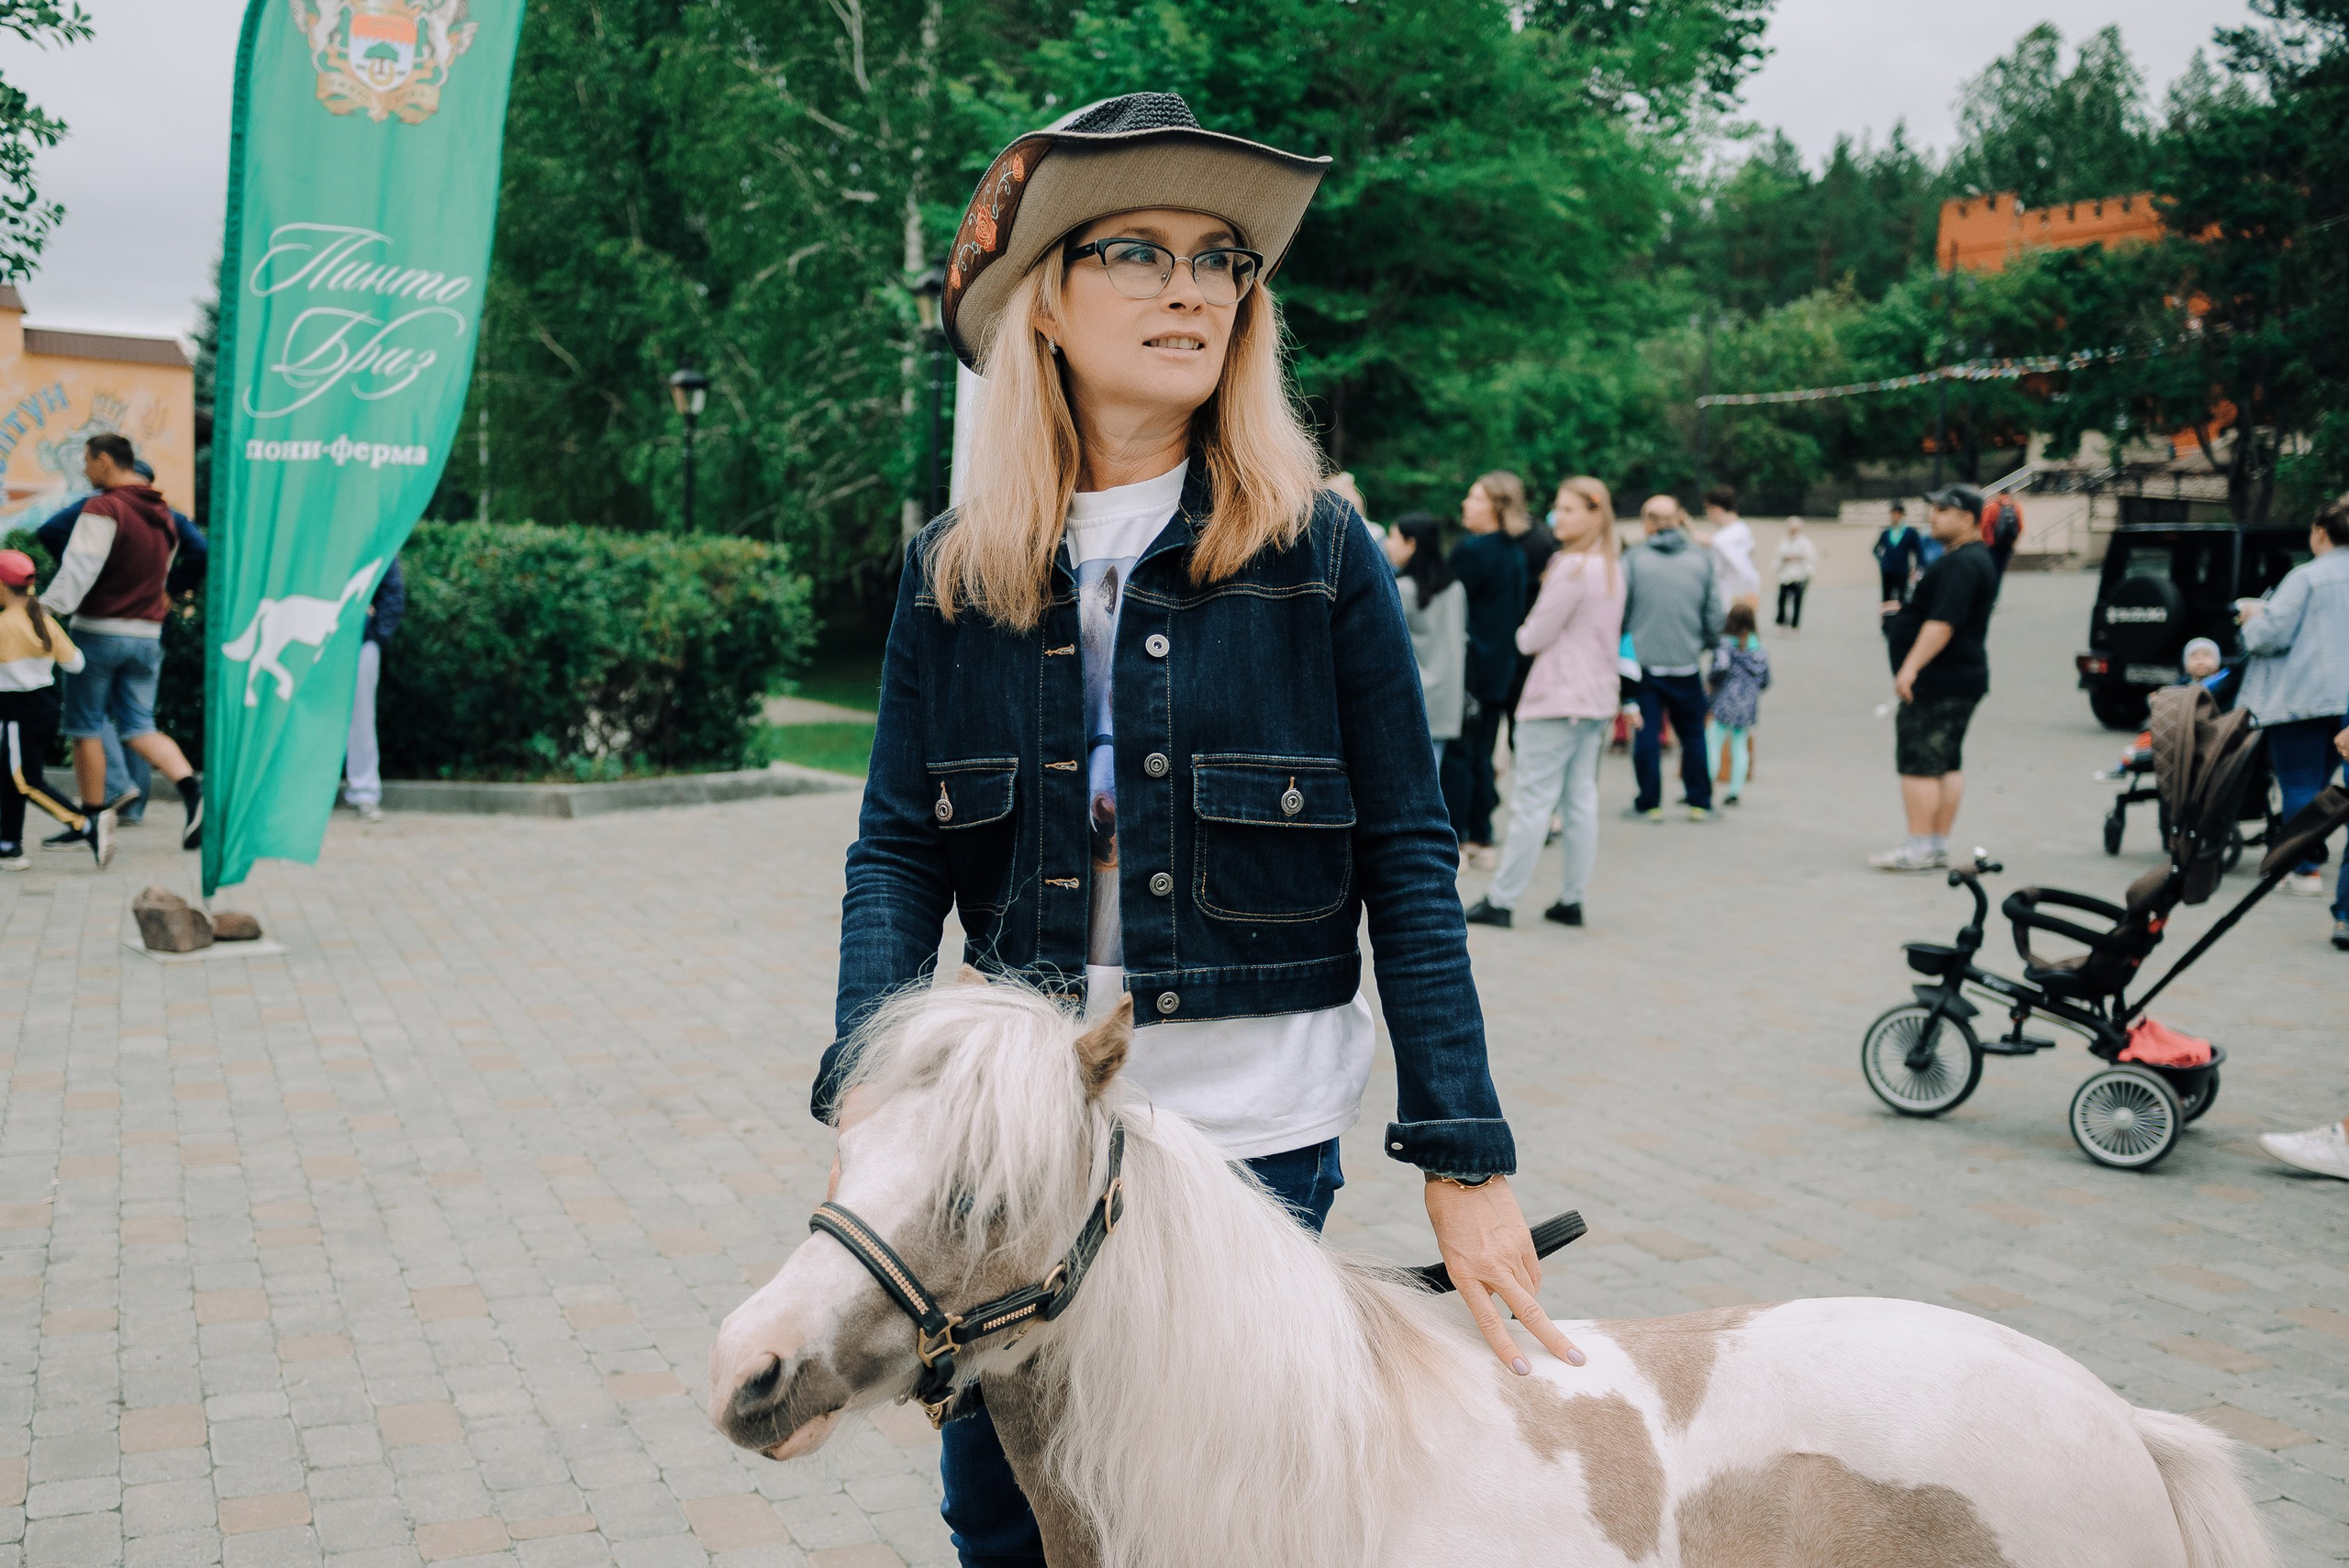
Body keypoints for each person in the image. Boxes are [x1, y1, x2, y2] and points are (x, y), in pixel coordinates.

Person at [821, 93, 1576, 1568]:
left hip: (1253, 1141)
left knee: (1221, 1526)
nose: (1193, 288)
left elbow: (1410, 859)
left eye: (1222, 259)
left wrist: (1467, 1160)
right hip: (1021, 1143)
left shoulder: (1318, 553)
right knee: (1008, 1511)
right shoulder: (952, 573)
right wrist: (875, 1096)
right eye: (1139, 252)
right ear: (1042, 302)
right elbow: (897, 849)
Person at [1464, 476, 1624, 929]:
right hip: (1594, 698)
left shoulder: (1571, 568)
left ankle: (1503, 898)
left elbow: (1532, 635)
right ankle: (1571, 897)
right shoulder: (1610, 566)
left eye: (1569, 509)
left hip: (1557, 696)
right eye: (1559, 508)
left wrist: (1520, 631)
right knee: (1579, 800)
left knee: (1532, 800)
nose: (1559, 517)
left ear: (1594, 515)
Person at [39, 435, 202, 852]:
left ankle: (94, 820)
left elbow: (79, 570)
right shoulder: (163, 513)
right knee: (139, 725)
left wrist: (42, 611)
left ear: (106, 461)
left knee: (84, 725)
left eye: (88, 461)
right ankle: (194, 795)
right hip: (147, 635)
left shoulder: (104, 506)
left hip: (99, 632)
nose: (86, 470)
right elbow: (166, 570)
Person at [1872, 484, 2000, 872]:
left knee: (1919, 763)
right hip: (1961, 677)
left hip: (1939, 680)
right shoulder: (1973, 559)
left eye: (1943, 510)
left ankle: (1920, 847)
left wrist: (1910, 667)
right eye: (1933, 508)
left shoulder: (1960, 563)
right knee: (1946, 763)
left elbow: (1943, 623)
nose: (1933, 515)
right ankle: (1936, 844)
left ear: (1968, 519)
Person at [2237, 493, 2349, 929]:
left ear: (2320, 532)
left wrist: (2251, 618)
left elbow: (2269, 634)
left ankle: (2304, 869)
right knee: (2326, 785)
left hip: (2303, 696)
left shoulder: (2307, 577)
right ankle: (2314, 862)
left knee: (2299, 783)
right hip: (2345, 701)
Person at [1621, 494, 1723, 821]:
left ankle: (1649, 803)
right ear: (1680, 517)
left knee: (1647, 733)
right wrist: (1705, 643)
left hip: (1644, 663)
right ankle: (1699, 802)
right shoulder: (1701, 558)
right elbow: (1713, 612)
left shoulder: (1634, 559)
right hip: (1686, 661)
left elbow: (1619, 612)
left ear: (1648, 521)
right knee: (1693, 733)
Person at [1450, 473, 1527, 866]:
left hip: (1469, 668)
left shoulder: (1473, 552)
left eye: (1473, 497)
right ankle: (1483, 834)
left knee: (1462, 754)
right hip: (1500, 670)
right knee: (1482, 752)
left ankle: (1460, 836)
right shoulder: (1514, 553)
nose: (1465, 503)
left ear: (1495, 506)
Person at [0, 550, 95, 869]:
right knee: (12, 776)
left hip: (16, 712)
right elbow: (77, 664)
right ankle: (9, 844)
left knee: (24, 780)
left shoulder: (4, 626)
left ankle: (85, 825)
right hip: (45, 707)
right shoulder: (43, 621)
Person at [1386, 512, 1471, 838]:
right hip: (1448, 696)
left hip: (1414, 696)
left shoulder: (1402, 588)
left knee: (1410, 786)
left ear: (1412, 543)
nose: (1389, 546)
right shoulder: (1455, 588)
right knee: (1432, 780)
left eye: (1394, 537)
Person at [342, 557, 406, 823]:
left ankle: (364, 791)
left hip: (361, 639)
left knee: (361, 717)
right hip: (314, 639)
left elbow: (392, 589)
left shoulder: (372, 529)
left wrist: (377, 633)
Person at [1705, 602, 1770, 806]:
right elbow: (1765, 678)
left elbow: (1719, 670)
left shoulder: (1725, 646)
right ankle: (1735, 790)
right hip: (1747, 702)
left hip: (1725, 700)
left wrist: (1711, 687)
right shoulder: (1758, 648)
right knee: (1739, 745)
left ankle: (1707, 785)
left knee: (1713, 742)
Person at [1703, 483, 1759, 610]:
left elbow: (1745, 574)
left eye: (1706, 510)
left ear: (1715, 509)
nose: (1707, 516)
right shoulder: (1742, 529)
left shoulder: (1725, 539)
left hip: (1730, 605)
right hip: (1742, 604)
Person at [1875, 500, 1925, 611]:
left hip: (1902, 570)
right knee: (1887, 596)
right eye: (1893, 513)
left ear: (1902, 515)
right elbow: (1876, 549)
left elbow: (1918, 551)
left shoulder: (1910, 532)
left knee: (1902, 597)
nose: (1894, 516)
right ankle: (1886, 620)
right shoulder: (1886, 532)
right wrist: (1882, 561)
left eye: (1897, 513)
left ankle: (1901, 620)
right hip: (1888, 570)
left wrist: (1918, 567)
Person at [1774, 517, 1817, 631]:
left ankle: (1794, 625)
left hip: (1799, 575)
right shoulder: (1783, 541)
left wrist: (1796, 557)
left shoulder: (1805, 542)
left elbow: (1810, 557)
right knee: (1781, 600)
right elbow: (1778, 556)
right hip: (1785, 575)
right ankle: (1781, 622)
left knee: (1797, 601)